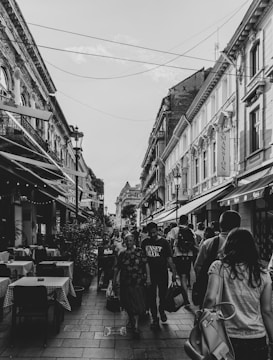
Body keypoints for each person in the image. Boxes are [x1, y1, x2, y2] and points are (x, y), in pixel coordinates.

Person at [203, 228, 273, 360]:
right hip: (257, 338)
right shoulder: (263, 274)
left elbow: (210, 299)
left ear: (228, 245)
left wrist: (202, 322)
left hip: (226, 337)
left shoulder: (219, 267)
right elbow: (267, 311)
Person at [194, 210, 241, 307]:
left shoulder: (208, 243)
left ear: (220, 225)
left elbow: (198, 267)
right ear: (239, 226)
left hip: (212, 293)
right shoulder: (246, 244)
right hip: (238, 295)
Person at [113, 233, 151, 338]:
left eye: (131, 240)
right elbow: (117, 268)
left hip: (138, 282)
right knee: (128, 304)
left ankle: (136, 326)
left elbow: (146, 264)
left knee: (137, 304)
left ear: (134, 241)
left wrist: (148, 278)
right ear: (124, 242)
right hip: (126, 283)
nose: (129, 243)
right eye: (127, 241)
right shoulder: (122, 254)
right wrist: (114, 281)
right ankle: (132, 320)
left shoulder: (140, 252)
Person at [141, 221, 177, 329]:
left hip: (162, 273)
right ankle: (155, 318)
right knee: (151, 297)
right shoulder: (145, 242)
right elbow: (143, 259)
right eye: (150, 233)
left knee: (163, 295)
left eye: (154, 232)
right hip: (150, 274)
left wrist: (174, 273)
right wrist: (145, 275)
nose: (152, 235)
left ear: (157, 230)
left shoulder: (164, 242)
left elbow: (169, 258)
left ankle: (161, 311)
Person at [167, 215, 198, 306]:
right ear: (187, 221)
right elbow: (195, 245)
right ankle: (191, 295)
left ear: (179, 221)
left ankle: (186, 299)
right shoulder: (191, 231)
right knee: (188, 276)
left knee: (182, 278)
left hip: (178, 256)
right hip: (189, 256)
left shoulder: (174, 230)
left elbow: (171, 244)